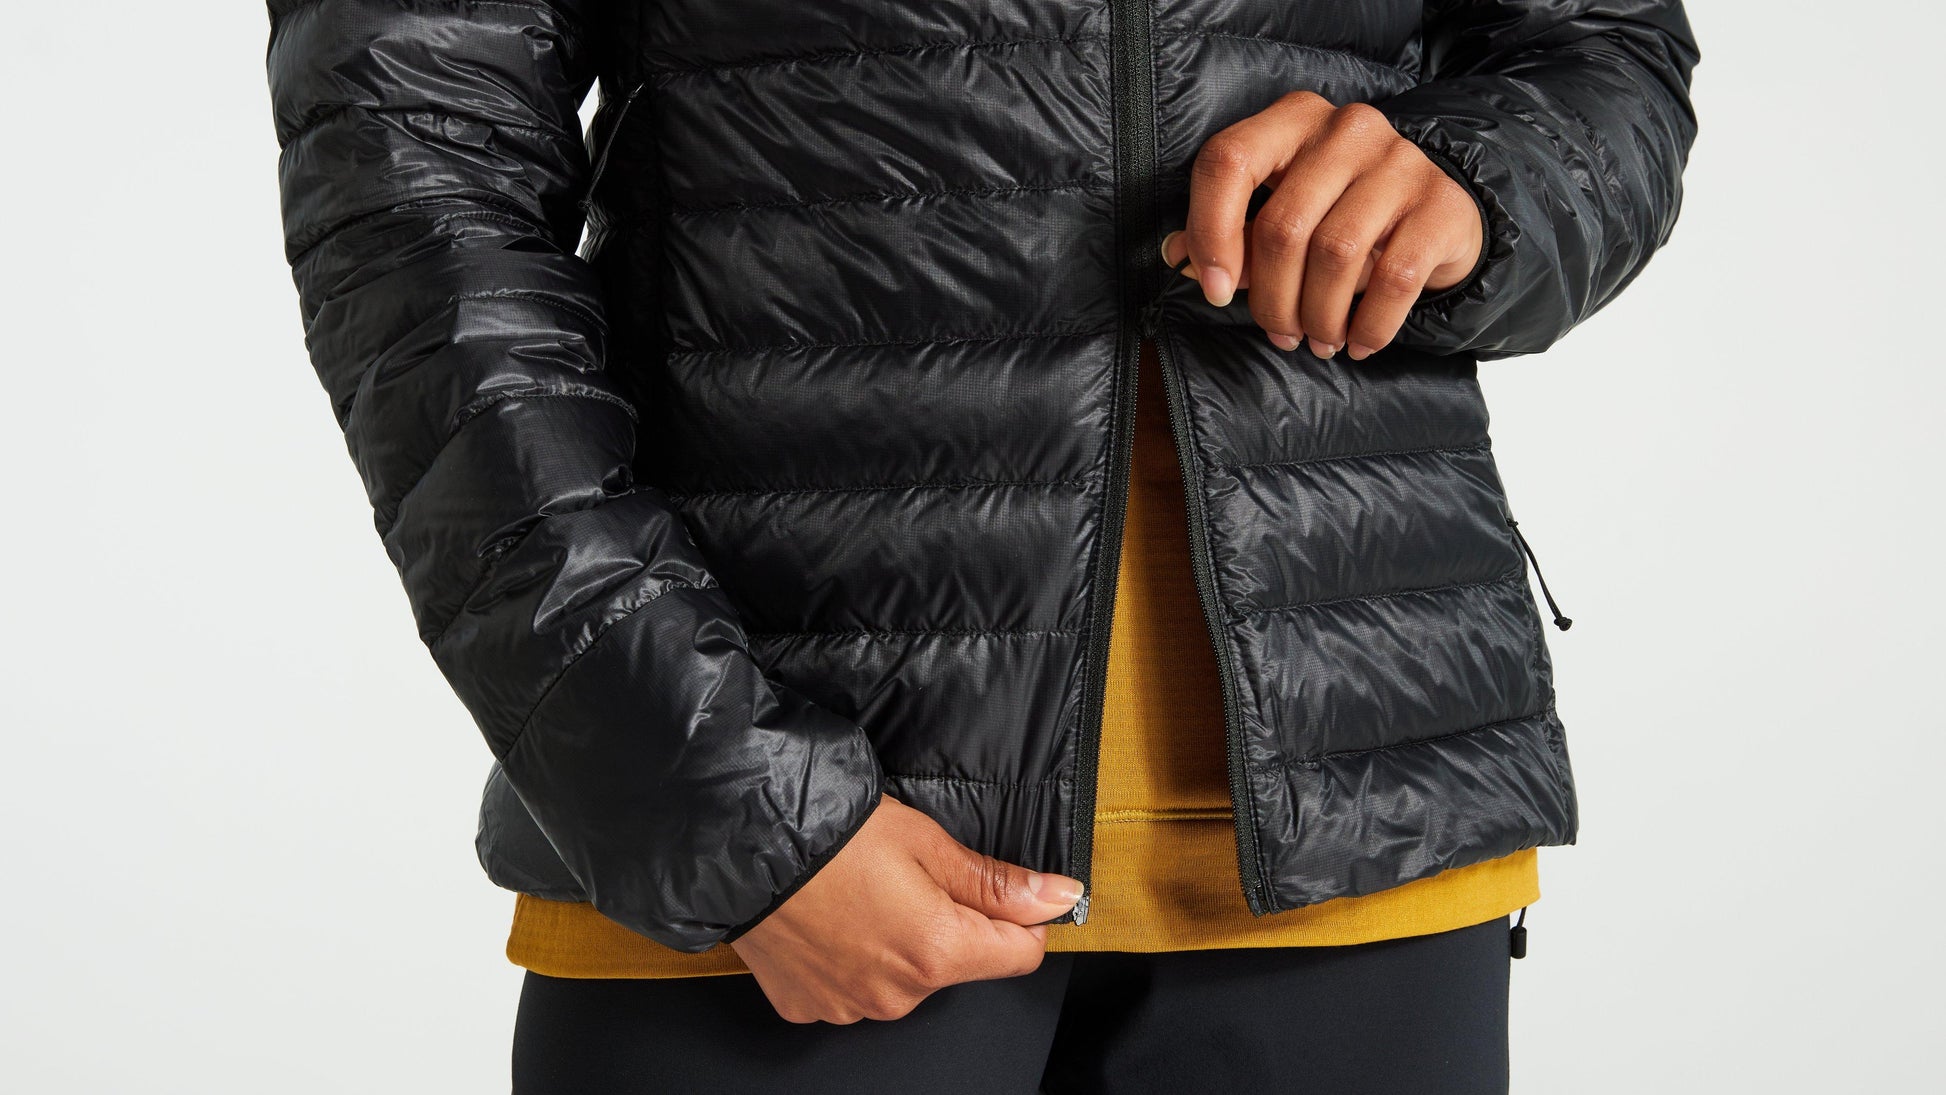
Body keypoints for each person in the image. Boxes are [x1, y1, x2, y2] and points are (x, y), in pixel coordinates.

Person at [264, 1, 1697, 1091]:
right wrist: (719, 802)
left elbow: (1600, 55)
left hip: (1363, 811)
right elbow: (415, 207)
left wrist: (1477, 178)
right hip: (789, 850)